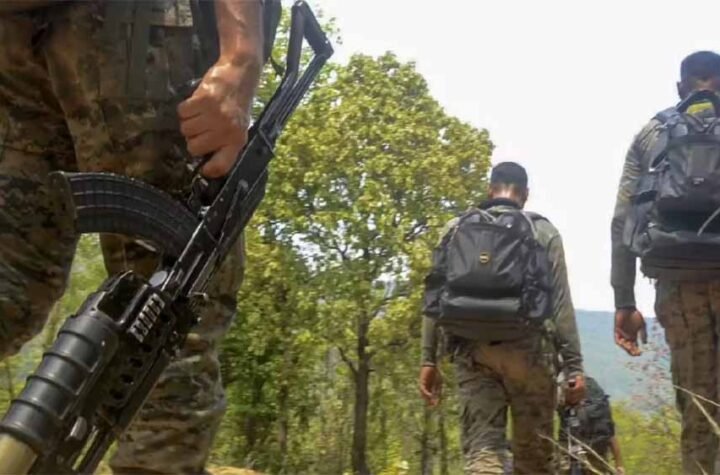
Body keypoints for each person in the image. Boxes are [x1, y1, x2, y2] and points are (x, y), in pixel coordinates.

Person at [0, 1, 264, 473]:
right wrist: (241, 52)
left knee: (10, 286)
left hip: (15, 39)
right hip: (131, 31)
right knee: (168, 315)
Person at [419, 162, 586, 474]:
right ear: (525, 194)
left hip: (473, 352)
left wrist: (428, 360)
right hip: (530, 354)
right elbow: (562, 304)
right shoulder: (543, 232)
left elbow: (433, 299)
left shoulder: (455, 229)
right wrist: (574, 367)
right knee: (534, 459)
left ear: (490, 189)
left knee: (484, 451)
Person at [612, 50, 720, 473]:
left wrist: (624, 301)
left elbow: (622, 220)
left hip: (678, 287)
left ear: (680, 87)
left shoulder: (651, 134)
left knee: (698, 409)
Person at [558, 376, 624, 475]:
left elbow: (610, 434)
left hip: (584, 454)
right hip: (593, 456)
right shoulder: (599, 406)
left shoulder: (596, 408)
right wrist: (619, 465)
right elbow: (611, 435)